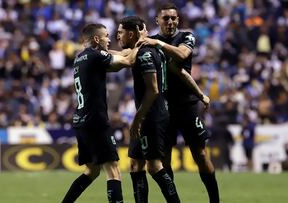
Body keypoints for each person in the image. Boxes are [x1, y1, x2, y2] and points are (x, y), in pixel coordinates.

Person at [138, 3, 220, 203]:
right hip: (163, 106)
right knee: (165, 159)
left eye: (173, 18)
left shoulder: (186, 37)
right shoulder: (150, 41)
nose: (170, 22)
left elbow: (183, 55)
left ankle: (215, 200)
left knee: (200, 154)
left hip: (187, 105)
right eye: (165, 18)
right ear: (157, 20)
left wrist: (158, 45)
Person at [62, 23, 140, 203]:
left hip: (81, 120)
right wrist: (141, 42)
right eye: (106, 36)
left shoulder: (80, 57)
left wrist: (128, 50)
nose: (109, 39)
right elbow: (128, 61)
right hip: (95, 121)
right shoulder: (96, 57)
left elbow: (118, 54)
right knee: (114, 170)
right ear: (97, 39)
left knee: (92, 171)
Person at [117, 16, 180, 203]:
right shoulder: (144, 50)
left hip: (151, 116)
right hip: (148, 115)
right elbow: (125, 55)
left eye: (120, 33)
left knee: (154, 166)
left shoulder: (145, 54)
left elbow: (153, 90)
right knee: (136, 165)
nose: (117, 36)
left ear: (130, 33)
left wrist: (138, 118)